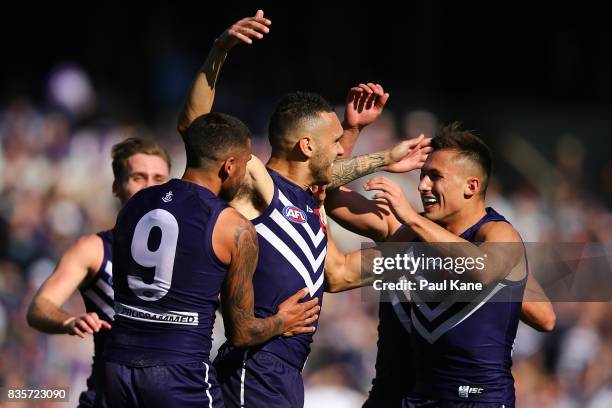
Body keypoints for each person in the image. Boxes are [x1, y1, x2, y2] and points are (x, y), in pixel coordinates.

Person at [176, 10, 432, 408]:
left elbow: (340, 273)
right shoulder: (259, 184)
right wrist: (219, 50)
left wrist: (425, 252)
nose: (342, 148)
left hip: (283, 374)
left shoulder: (310, 204)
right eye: (335, 140)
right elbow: (196, 127)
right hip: (254, 365)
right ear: (307, 146)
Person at [327, 123, 556, 407]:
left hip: (473, 400)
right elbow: (327, 191)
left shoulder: (495, 234)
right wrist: (354, 132)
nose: (422, 186)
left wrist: (506, 274)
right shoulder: (404, 233)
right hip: (398, 396)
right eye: (422, 176)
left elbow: (538, 311)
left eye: (434, 177)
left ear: (471, 186)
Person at [101, 112, 320, 408]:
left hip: (115, 369)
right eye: (245, 164)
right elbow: (242, 333)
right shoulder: (234, 227)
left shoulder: (136, 204)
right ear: (229, 166)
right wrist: (283, 321)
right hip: (179, 374)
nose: (245, 174)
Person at [26, 137, 172, 407]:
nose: (150, 187)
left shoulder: (195, 251)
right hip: (110, 397)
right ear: (116, 187)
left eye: (159, 179)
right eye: (139, 177)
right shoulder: (94, 249)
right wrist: (68, 322)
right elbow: (39, 308)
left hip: (175, 395)